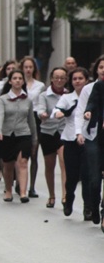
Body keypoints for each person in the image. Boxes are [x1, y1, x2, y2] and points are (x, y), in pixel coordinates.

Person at [0, 70, 37, 203]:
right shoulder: (3, 99)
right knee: (8, 165)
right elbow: (0, 116)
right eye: (15, 78)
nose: (17, 80)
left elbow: (31, 120)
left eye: (20, 78)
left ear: (23, 81)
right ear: (10, 81)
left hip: (24, 134)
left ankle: (23, 193)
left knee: (23, 162)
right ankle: (8, 190)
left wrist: (34, 138)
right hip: (7, 135)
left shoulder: (28, 100)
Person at [54, 67, 88, 218]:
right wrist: (59, 113)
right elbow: (56, 110)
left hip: (88, 139)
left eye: (80, 78)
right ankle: (69, 200)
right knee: (72, 175)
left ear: (86, 80)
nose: (77, 81)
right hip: (70, 139)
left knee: (87, 175)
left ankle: (88, 207)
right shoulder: (67, 98)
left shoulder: (91, 96)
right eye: (75, 79)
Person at [35, 67, 67, 209]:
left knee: (64, 163)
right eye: (56, 77)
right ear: (51, 79)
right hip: (47, 132)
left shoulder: (68, 95)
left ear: (66, 79)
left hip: (63, 132)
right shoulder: (44, 95)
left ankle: (65, 195)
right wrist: (42, 114)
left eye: (62, 78)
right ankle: (52, 195)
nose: (59, 80)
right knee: (50, 165)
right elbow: (40, 109)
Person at [81, 55, 104, 228]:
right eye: (102, 67)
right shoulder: (98, 86)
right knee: (95, 180)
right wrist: (88, 112)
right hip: (96, 137)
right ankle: (94, 206)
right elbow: (92, 102)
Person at [20, 56, 45, 199]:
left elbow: (41, 102)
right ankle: (20, 182)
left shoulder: (40, 85)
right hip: (21, 116)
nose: (28, 70)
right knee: (20, 153)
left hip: (35, 117)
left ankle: (32, 187)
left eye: (30, 67)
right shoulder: (17, 82)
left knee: (34, 153)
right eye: (26, 67)